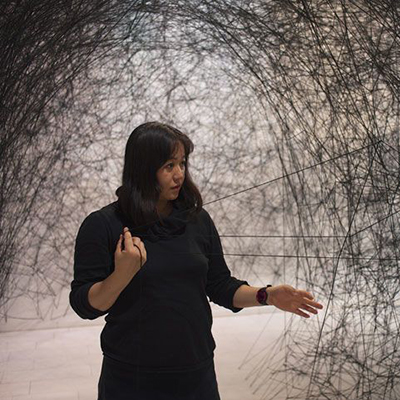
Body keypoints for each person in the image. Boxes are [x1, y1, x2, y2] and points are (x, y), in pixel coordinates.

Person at [69, 121, 323, 400]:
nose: (179, 174)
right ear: (143, 169)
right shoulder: (103, 225)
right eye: (169, 166)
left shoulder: (196, 220)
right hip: (131, 378)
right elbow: (85, 305)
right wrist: (122, 274)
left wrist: (268, 295)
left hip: (195, 374)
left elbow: (220, 285)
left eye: (182, 163)